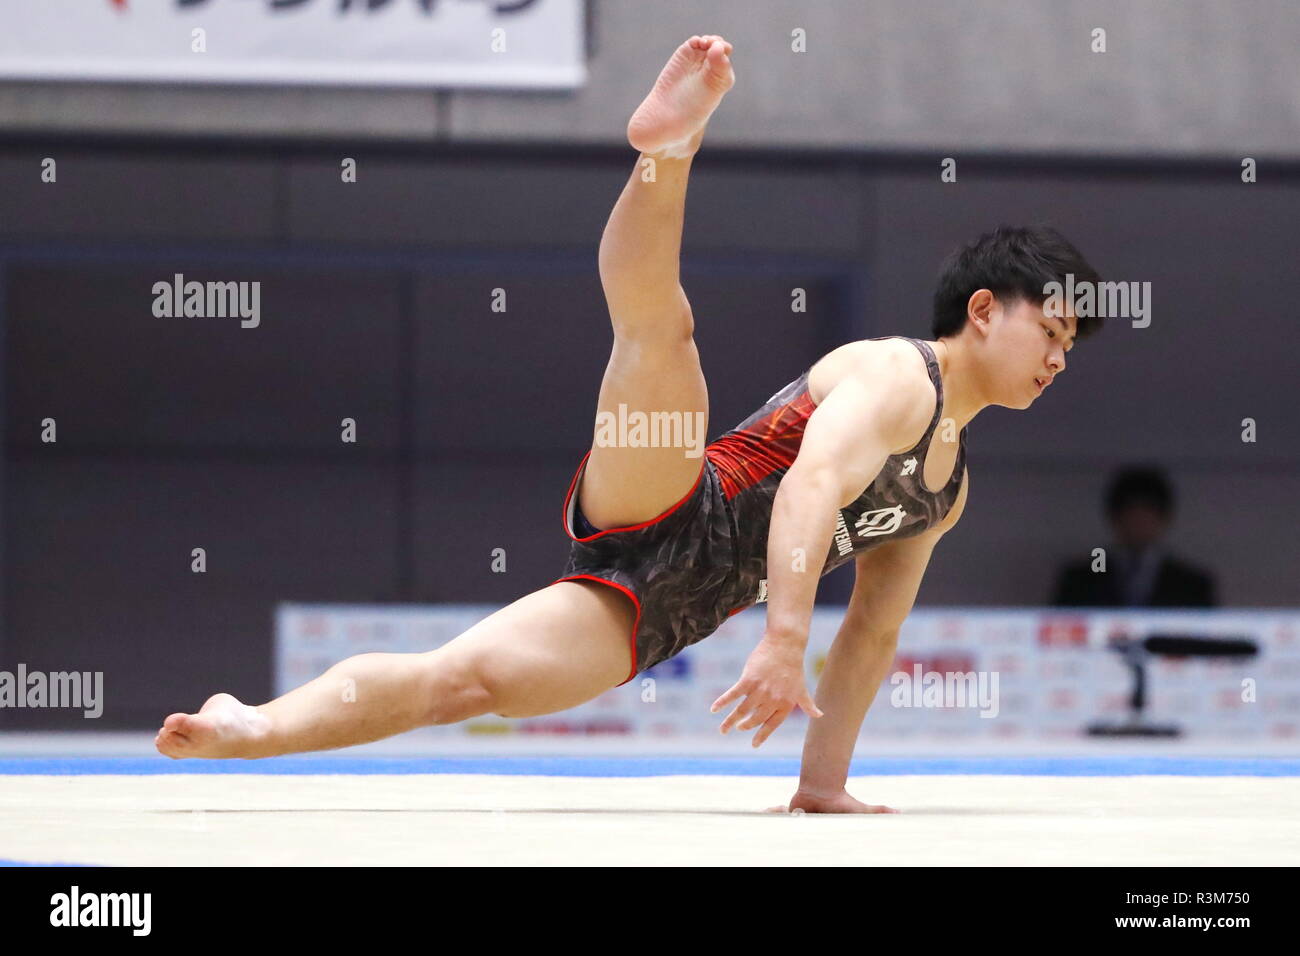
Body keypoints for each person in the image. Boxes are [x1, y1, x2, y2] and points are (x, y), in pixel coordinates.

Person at [155, 35, 1102, 813]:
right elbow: (810, 484)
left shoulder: (949, 488)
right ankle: (669, 154)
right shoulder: (899, 373)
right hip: (687, 492)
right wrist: (778, 639)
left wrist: (822, 785)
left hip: (658, 610)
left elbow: (871, 634)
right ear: (983, 310)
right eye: (1050, 330)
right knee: (661, 336)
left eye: (1072, 346)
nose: (1059, 359)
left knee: (464, 682)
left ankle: (256, 724)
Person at [1052, 466, 1216, 607]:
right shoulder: (1079, 579)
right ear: (1114, 518)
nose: (1138, 524)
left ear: (1164, 519)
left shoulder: (1192, 584)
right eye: (1131, 515)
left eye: (1146, 515)